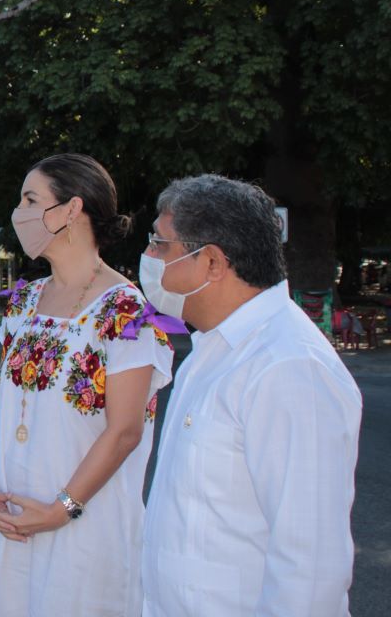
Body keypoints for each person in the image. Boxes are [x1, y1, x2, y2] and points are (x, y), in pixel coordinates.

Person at [139, 174, 361, 616]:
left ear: (213, 264)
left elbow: (311, 570)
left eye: (160, 244)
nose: (147, 257)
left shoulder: (289, 367)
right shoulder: (215, 347)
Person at [0, 154, 176, 616]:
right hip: (11, 520)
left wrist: (59, 509)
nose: (18, 212)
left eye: (31, 199)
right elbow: (0, 402)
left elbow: (124, 430)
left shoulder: (127, 312)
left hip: (85, 528)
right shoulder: (24, 300)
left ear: (71, 210)